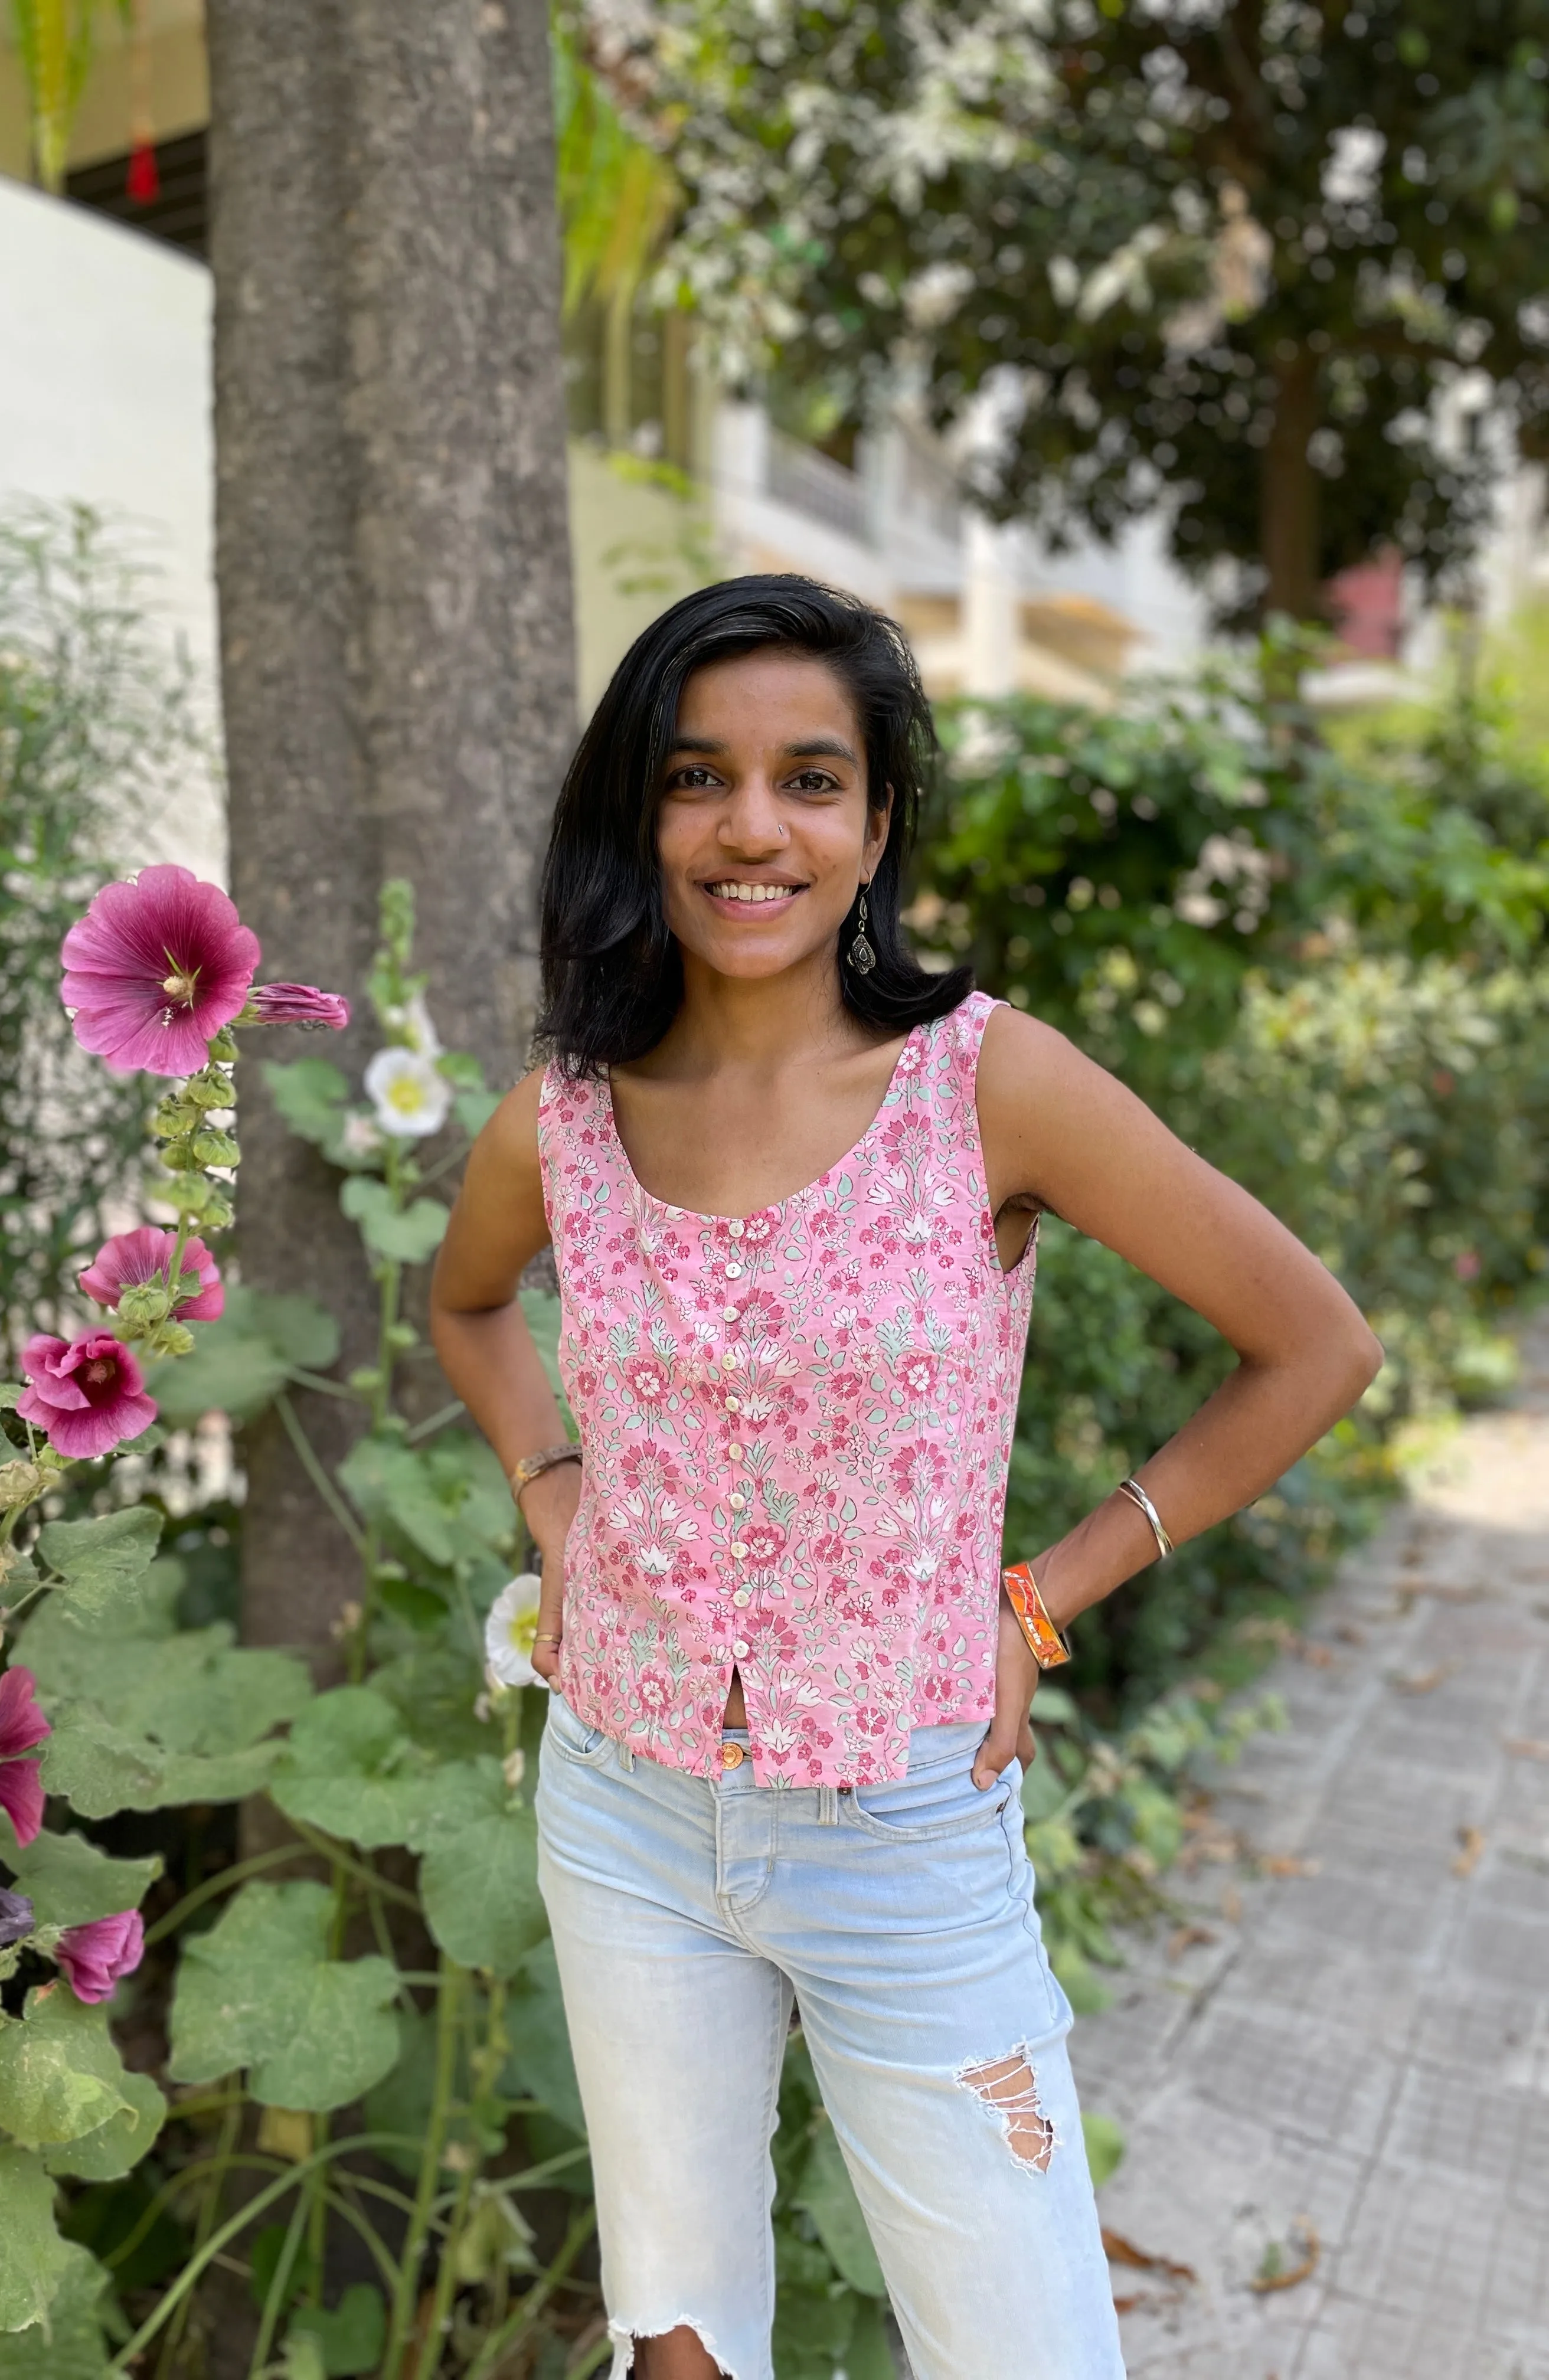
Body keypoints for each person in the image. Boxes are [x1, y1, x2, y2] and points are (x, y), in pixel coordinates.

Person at [429, 576, 1381, 2380]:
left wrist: (1046, 1594)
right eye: (699, 777)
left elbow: (1315, 1345)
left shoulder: (984, 1088)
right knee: (677, 2346)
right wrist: (552, 1491)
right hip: (621, 1805)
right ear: (643, 814)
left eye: (810, 776)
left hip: (904, 1825)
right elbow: (470, 1307)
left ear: (876, 825)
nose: (751, 826)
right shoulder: (560, 1115)